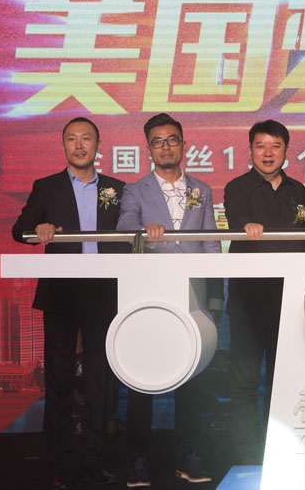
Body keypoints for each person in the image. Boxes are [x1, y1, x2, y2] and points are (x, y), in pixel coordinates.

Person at [12, 116, 123, 489]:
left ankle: (93, 461)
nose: (79, 145)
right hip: (61, 292)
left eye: (86, 138)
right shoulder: (46, 187)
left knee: (99, 381)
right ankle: (61, 462)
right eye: (72, 139)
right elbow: (19, 229)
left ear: (98, 145)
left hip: (103, 293)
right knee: (58, 380)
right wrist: (38, 230)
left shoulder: (117, 188)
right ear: (63, 146)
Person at [117, 113, 223, 486]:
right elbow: (124, 226)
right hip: (149, 297)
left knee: (193, 381)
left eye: (172, 140)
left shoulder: (202, 189)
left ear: (183, 144)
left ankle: (188, 456)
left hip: (192, 297)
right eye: (158, 141)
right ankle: (138, 458)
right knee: (141, 381)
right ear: (148, 148)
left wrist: (215, 297)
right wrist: (143, 231)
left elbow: (211, 242)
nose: (166, 147)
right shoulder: (135, 190)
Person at [224, 120, 305, 464]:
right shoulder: (237, 187)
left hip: (289, 300)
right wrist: (247, 226)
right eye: (260, 146)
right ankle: (246, 456)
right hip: (248, 300)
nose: (268, 153)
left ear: (286, 151)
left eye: (275, 146)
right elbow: (237, 219)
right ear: (249, 151)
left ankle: (279, 452)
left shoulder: (299, 191)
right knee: (244, 380)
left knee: (284, 380)